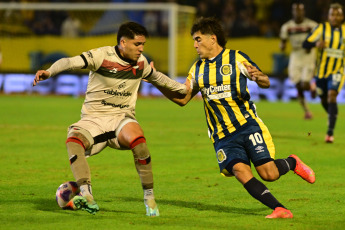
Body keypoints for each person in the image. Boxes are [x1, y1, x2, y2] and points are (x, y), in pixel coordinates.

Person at [154, 17, 316, 219]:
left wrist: (259, 77)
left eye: (198, 39)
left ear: (212, 39)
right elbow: (183, 99)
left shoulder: (236, 58)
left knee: (269, 174)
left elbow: (264, 81)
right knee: (241, 172)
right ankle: (280, 208)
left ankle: (292, 162)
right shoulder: (196, 69)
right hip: (222, 136)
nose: (195, 45)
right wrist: (156, 81)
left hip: (247, 125)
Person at [33, 21, 187, 216]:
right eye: (137, 44)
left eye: (143, 45)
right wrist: (49, 71)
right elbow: (69, 62)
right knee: (73, 142)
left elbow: (158, 78)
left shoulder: (141, 63)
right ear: (123, 43)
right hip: (93, 119)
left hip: (121, 118)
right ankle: (86, 194)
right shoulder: (101, 56)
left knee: (138, 140)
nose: (141, 49)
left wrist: (184, 89)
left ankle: (150, 199)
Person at [303, 3, 345, 143]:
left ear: (342, 16)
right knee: (324, 100)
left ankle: (329, 133)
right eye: (332, 14)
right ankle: (332, 115)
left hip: (338, 71)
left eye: (338, 14)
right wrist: (316, 44)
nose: (335, 17)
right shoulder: (322, 28)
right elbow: (305, 43)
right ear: (328, 16)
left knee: (332, 96)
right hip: (321, 73)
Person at [280, 3, 317, 120]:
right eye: (296, 11)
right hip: (295, 55)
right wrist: (282, 45)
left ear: (303, 12)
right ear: (293, 12)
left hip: (308, 54)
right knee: (297, 85)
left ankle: (311, 86)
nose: (298, 13)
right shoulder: (287, 27)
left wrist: (313, 44)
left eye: (300, 10)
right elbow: (283, 41)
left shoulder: (312, 25)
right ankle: (307, 111)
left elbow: (319, 38)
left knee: (304, 84)